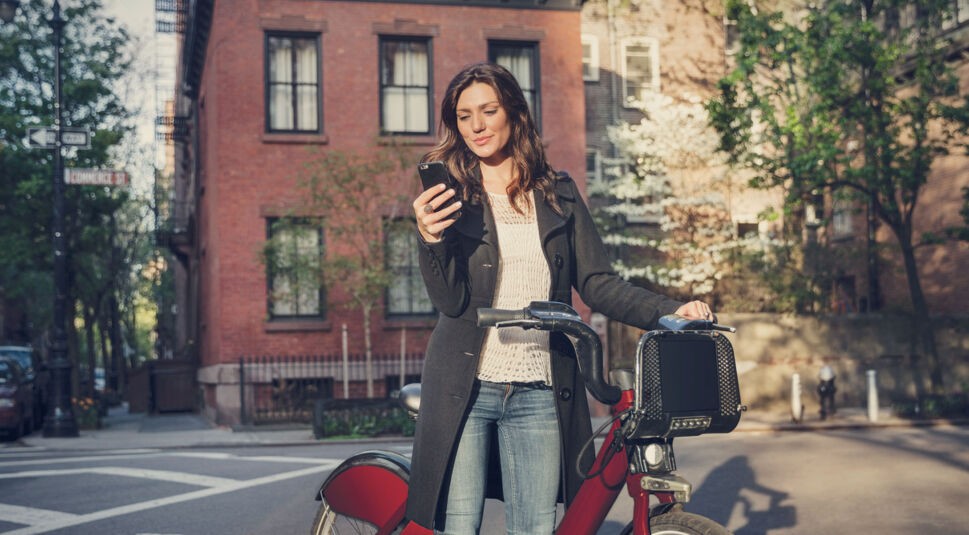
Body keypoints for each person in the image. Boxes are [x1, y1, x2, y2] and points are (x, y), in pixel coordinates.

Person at [407, 61, 714, 534]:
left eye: (488, 110)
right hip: (464, 387)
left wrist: (669, 310)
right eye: (464, 116)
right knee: (459, 525)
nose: (478, 126)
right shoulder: (454, 196)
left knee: (535, 527)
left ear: (513, 111)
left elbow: (599, 284)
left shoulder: (559, 194)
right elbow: (450, 302)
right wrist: (429, 238)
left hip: (540, 388)